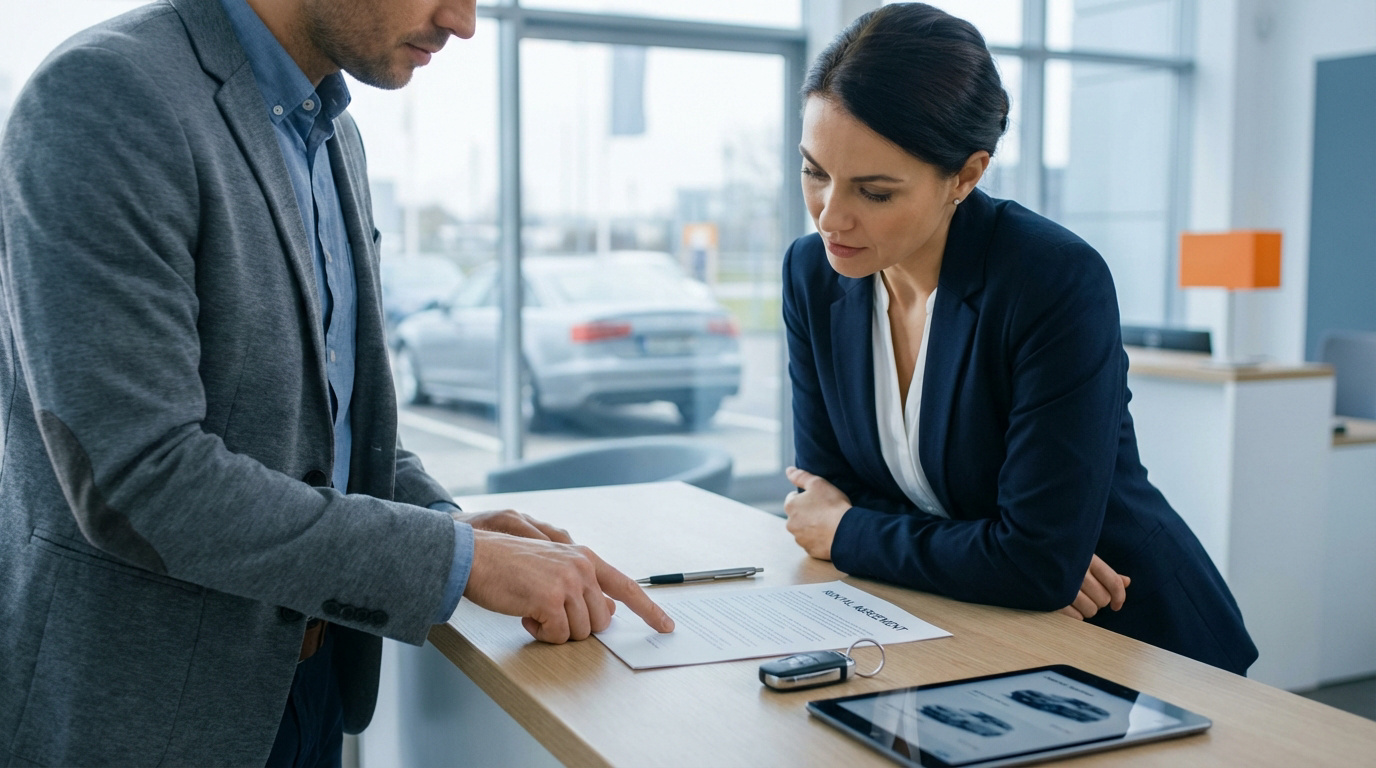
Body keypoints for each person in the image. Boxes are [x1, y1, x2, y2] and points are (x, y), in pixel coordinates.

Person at [0, 0, 673, 765]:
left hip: (306, 681)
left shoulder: (332, 130)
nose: (464, 22)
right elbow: (143, 481)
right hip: (146, 713)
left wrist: (449, 524)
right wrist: (458, 563)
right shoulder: (105, 95)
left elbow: (326, 423)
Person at [779, 3, 1257, 676]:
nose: (831, 216)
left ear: (967, 176)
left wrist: (858, 533)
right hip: (973, 629)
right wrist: (1003, 562)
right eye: (815, 171)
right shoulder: (812, 274)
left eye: (875, 191)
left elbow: (1021, 560)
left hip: (1131, 639)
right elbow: (824, 492)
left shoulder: (1050, 278)